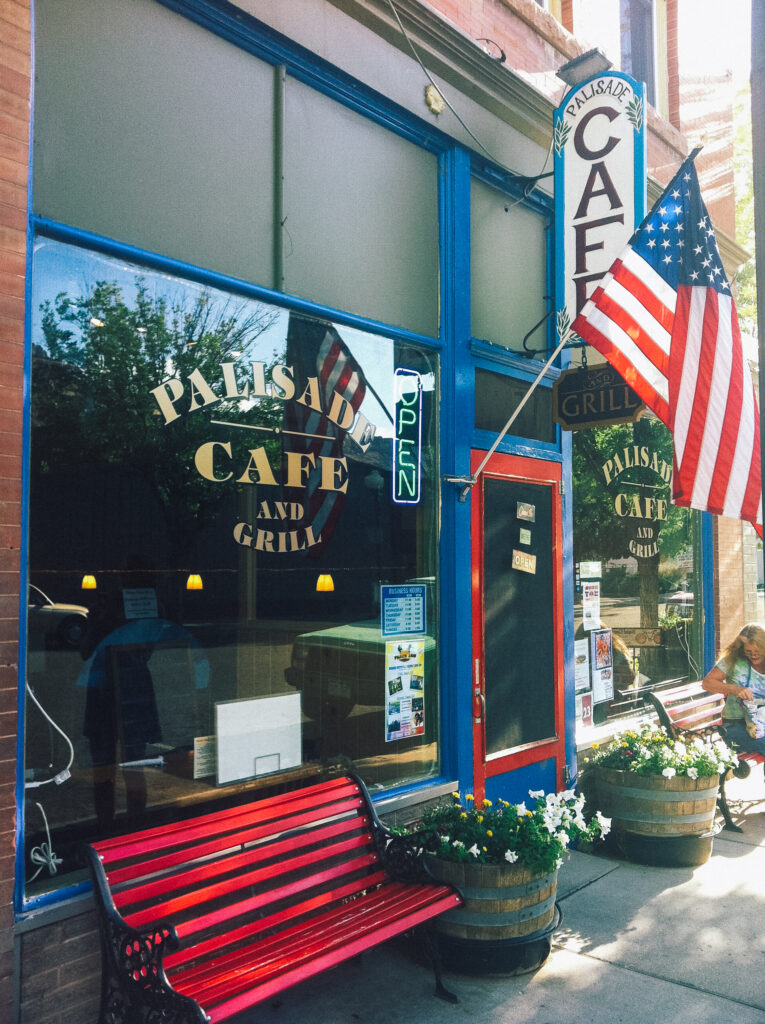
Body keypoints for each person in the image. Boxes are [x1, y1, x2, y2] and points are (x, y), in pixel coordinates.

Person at [701, 622, 765, 757]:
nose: (753, 655)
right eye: (748, 651)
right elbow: (707, 683)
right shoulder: (733, 661)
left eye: (757, 651)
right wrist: (734, 689)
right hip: (735, 726)